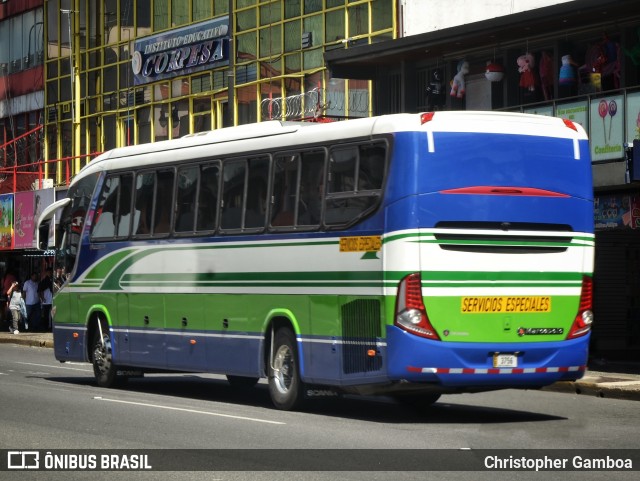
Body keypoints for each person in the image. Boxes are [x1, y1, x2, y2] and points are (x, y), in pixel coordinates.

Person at [39, 267, 54, 332]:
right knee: (46, 315)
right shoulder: (44, 281)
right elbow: (40, 290)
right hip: (46, 301)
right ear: (46, 272)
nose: (50, 273)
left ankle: (50, 327)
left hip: (52, 300)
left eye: (51, 272)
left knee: (52, 315)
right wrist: (42, 298)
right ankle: (46, 327)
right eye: (49, 272)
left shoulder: (52, 280)